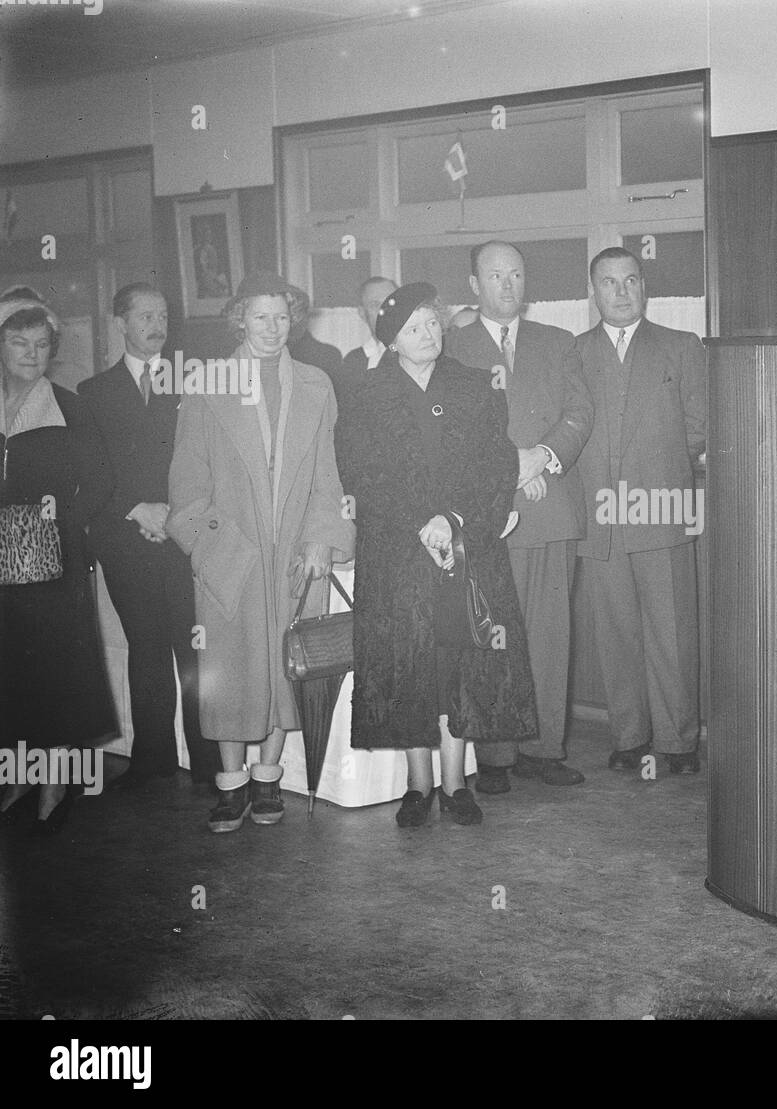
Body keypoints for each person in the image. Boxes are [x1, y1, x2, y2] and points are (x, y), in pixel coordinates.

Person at [337, 283, 539, 827]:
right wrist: (417, 528)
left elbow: (494, 468)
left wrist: (450, 521)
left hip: (463, 548)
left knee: (457, 664)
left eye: (431, 323)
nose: (426, 335)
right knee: (408, 667)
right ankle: (417, 786)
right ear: (391, 340)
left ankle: (454, 785)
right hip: (397, 555)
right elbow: (361, 476)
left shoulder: (475, 387)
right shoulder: (364, 395)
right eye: (412, 328)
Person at [166, 273, 354, 834]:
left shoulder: (318, 384)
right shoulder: (205, 383)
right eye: (259, 317)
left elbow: (328, 475)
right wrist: (211, 548)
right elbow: (186, 479)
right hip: (234, 553)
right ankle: (231, 785)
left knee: (285, 664)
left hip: (298, 551)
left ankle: (268, 776)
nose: (272, 329)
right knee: (229, 670)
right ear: (239, 319)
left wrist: (322, 537)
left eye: (281, 317)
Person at [445, 242, 592, 792]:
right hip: (487, 513)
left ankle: (543, 749)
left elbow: (580, 412)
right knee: (490, 632)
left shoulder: (558, 343)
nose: (507, 284)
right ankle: (496, 755)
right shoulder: (451, 346)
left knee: (550, 634)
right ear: (474, 284)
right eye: (495, 275)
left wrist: (543, 456)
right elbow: (448, 430)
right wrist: (510, 465)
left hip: (550, 507)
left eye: (516, 274)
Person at [79, 283, 221, 794]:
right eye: (144, 315)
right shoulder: (93, 393)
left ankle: (207, 761)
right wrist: (136, 508)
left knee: (194, 648)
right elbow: (91, 472)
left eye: (162, 314)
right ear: (120, 322)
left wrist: (177, 514)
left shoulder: (195, 381)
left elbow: (212, 458)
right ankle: (153, 760)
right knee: (146, 649)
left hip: (186, 538)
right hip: (126, 540)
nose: (155, 324)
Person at [575, 248, 706, 776]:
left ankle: (677, 744)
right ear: (593, 292)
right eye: (609, 283)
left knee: (671, 635)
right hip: (601, 518)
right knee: (616, 632)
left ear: (644, 286)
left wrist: (654, 467)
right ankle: (629, 738)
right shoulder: (576, 352)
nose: (622, 292)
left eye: (631, 280)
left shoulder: (681, 347)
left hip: (662, 509)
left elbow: (699, 424)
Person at [0, 294, 117, 833]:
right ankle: (19, 775)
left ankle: (56, 783)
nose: (30, 353)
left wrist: (55, 523)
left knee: (56, 674)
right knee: (11, 672)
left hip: (51, 561)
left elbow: (98, 483)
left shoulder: (71, 407)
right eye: (19, 343)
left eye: (41, 345)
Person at [285, 283, 347, 396]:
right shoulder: (259, 356)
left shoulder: (326, 356)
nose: (291, 321)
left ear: (306, 316)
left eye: (296, 314)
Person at [341, 276, 398, 384]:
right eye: (375, 305)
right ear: (362, 313)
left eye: (391, 302)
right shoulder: (353, 361)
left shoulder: (414, 353)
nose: (384, 311)